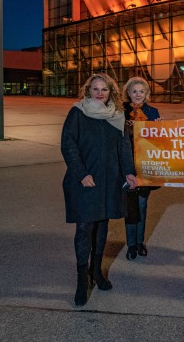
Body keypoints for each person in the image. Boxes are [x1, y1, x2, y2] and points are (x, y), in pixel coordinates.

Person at [61, 73, 137, 307]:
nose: (100, 93)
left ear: (110, 92)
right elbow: (68, 144)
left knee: (102, 226)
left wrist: (130, 172)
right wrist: (81, 173)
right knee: (85, 226)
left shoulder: (117, 115)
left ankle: (97, 273)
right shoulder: (78, 112)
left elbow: (124, 147)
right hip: (85, 179)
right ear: (88, 91)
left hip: (109, 180)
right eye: (95, 89)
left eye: (104, 89)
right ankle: (81, 281)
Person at [122, 76, 161, 260]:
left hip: (146, 165)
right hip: (128, 164)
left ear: (147, 94)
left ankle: (139, 241)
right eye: (134, 91)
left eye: (141, 91)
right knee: (131, 207)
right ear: (128, 93)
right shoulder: (119, 111)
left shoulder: (153, 112)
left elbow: (160, 140)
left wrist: (162, 129)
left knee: (143, 205)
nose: (138, 94)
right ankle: (130, 244)